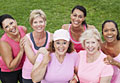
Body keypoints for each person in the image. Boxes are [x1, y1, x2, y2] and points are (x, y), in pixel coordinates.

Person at [22, 9, 52, 83]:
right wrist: (40, 52)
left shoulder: (51, 37)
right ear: (31, 25)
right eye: (35, 22)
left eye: (41, 21)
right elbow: (33, 61)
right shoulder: (27, 39)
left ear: (45, 22)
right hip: (29, 75)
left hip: (46, 74)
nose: (38, 25)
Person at [0, 14, 27, 83]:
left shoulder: (23, 29)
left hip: (23, 67)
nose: (11, 27)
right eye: (7, 26)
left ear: (15, 21)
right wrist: (21, 51)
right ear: (4, 29)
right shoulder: (4, 42)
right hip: (9, 72)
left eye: (11, 23)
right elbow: (10, 67)